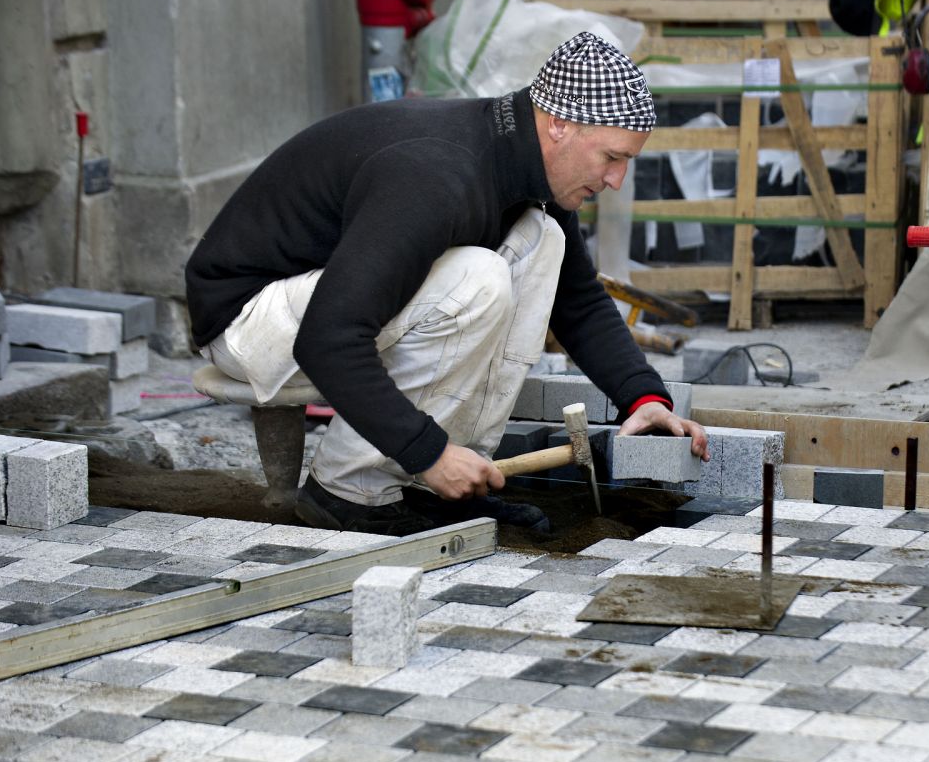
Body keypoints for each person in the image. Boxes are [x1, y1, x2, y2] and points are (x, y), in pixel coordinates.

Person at [185, 32, 709, 536]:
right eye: (611, 157)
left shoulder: (527, 170)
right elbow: (329, 337)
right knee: (477, 280)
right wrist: (426, 450)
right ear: (558, 126)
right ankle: (350, 489)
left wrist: (644, 401)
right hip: (247, 319)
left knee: (543, 239)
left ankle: (450, 479)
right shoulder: (438, 177)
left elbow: (578, 299)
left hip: (321, 304)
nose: (616, 180)